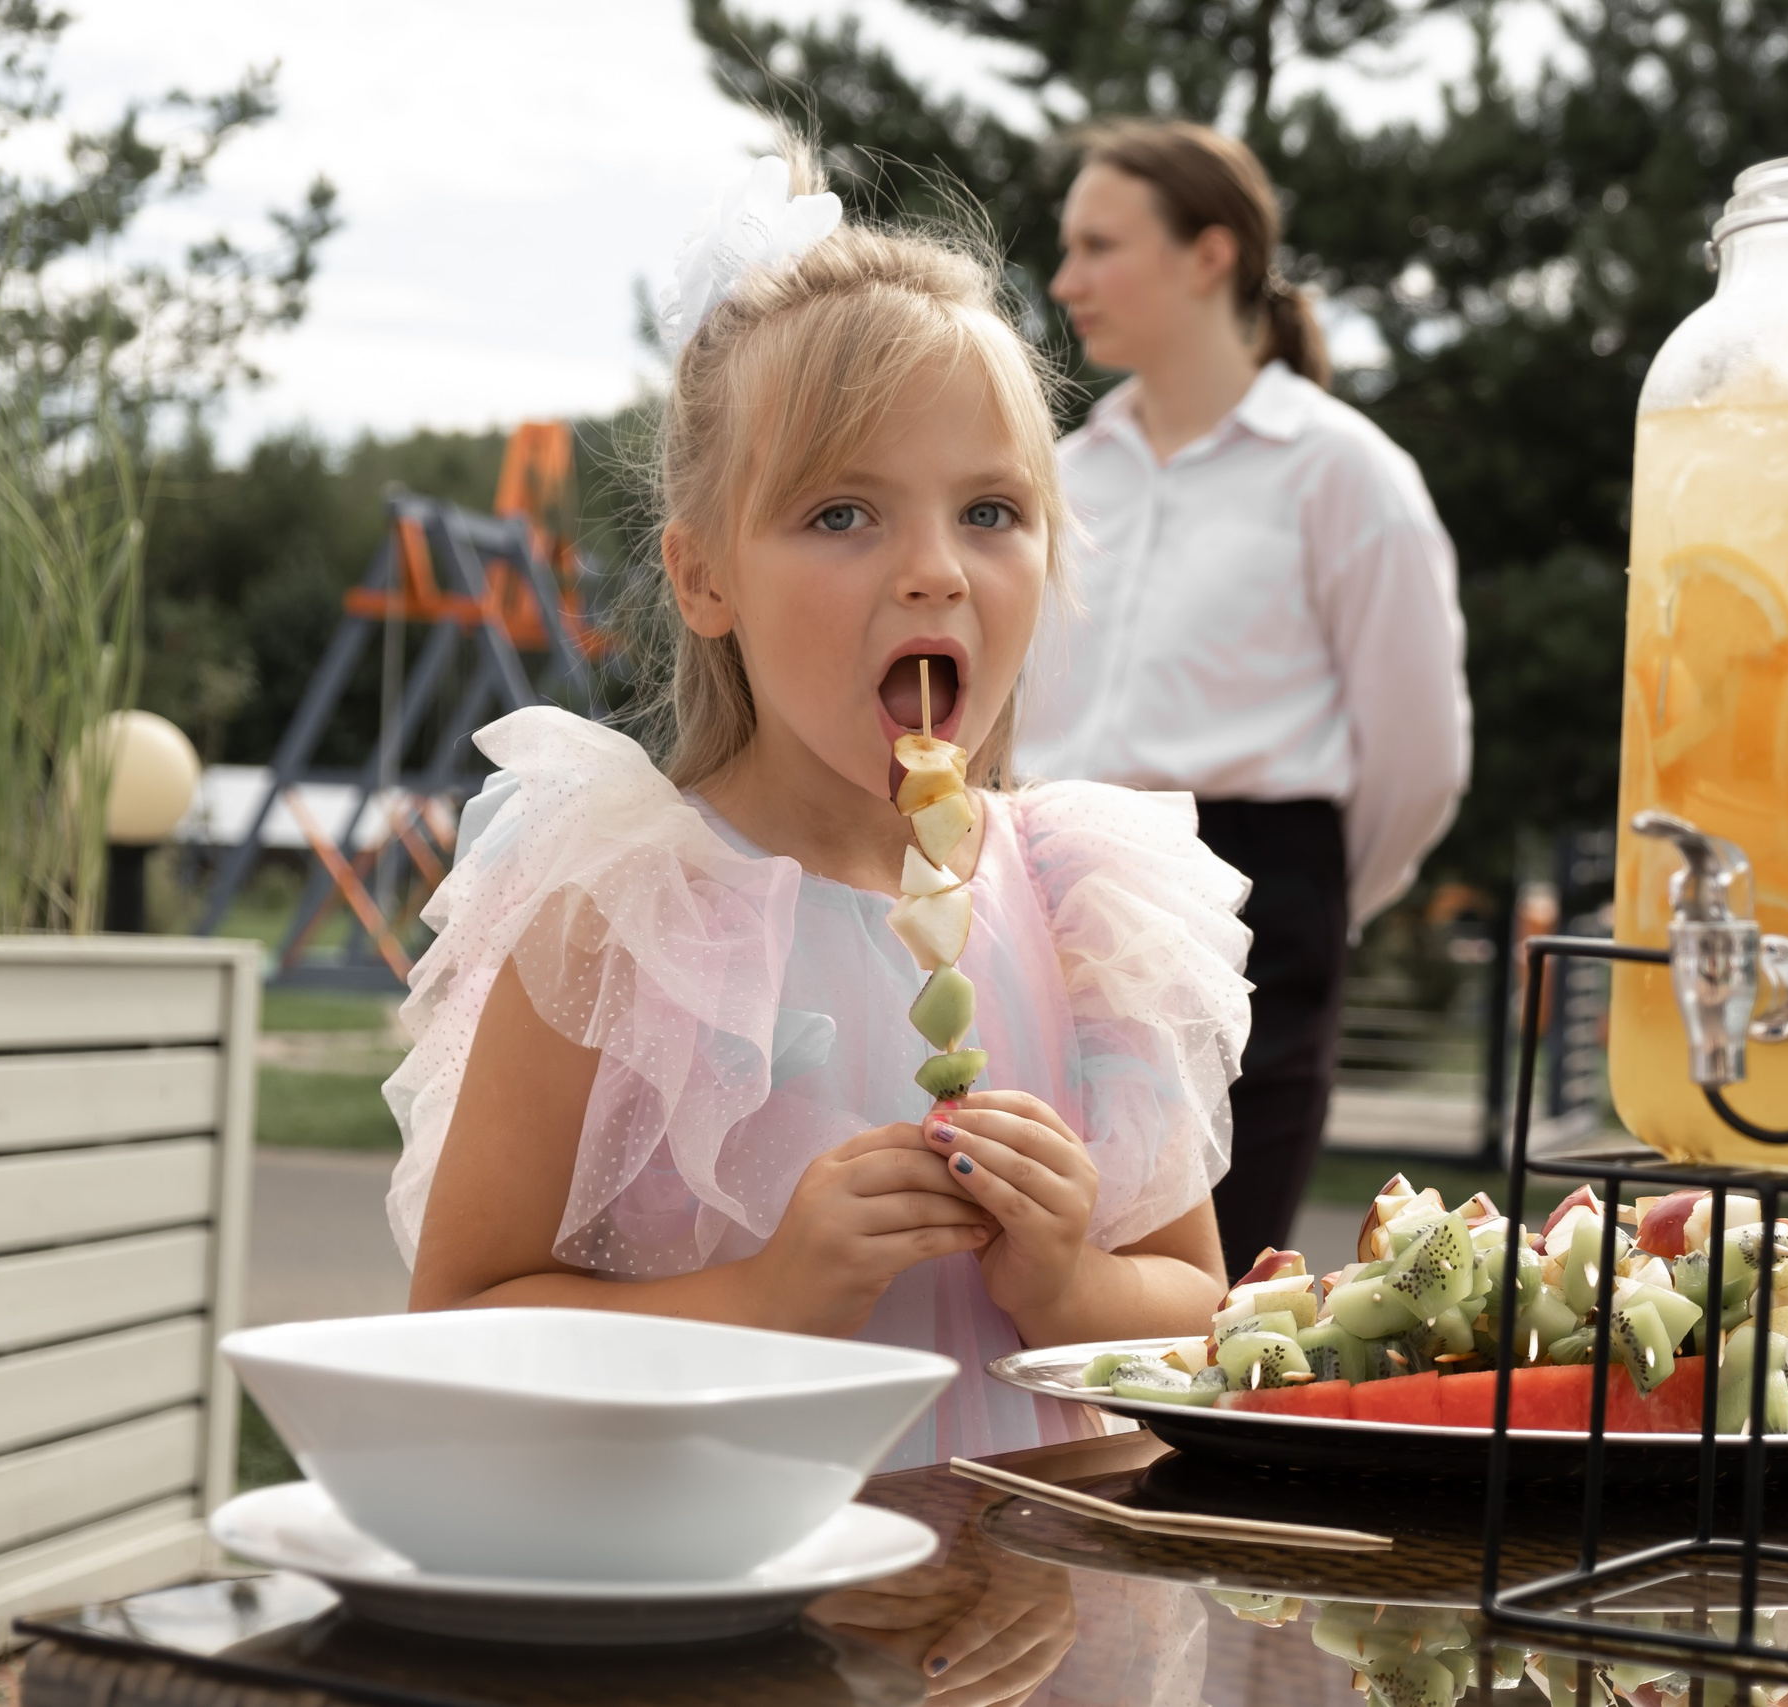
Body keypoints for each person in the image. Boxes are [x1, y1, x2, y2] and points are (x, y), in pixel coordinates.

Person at [381, 143, 1254, 1468]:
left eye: (990, 510)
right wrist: (765, 1299)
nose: (932, 571)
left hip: (1041, 1620)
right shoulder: (622, 916)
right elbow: (458, 1322)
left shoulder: (1085, 907)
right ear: (703, 575)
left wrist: (1071, 1282)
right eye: (843, 511)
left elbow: (1201, 1304)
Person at [1025, 119, 1472, 1278]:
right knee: (1033, 1270)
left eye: (1097, 246)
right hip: (1047, 896)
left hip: (1253, 907)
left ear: (1207, 255)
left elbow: (1419, 756)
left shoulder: (1344, 470)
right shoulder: (1059, 478)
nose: (1065, 280)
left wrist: (1304, 910)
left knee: (1217, 1301)